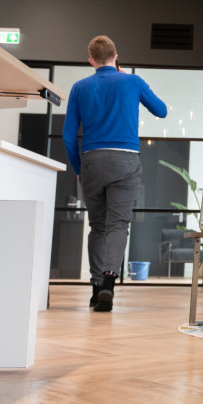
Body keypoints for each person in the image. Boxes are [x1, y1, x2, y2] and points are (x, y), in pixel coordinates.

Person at [63, 35, 167, 312]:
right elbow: (162, 111)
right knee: (118, 225)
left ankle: (96, 289)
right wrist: (129, 81)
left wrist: (79, 168)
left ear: (91, 61)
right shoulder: (132, 81)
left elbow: (69, 137)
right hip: (125, 160)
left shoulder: (79, 87)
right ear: (116, 56)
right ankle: (110, 279)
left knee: (97, 227)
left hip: (92, 161)